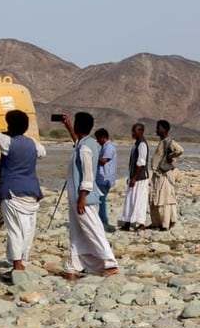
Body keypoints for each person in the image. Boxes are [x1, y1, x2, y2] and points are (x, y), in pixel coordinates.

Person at [0, 91, 46, 283]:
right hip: (32, 193)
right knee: (28, 230)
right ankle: (22, 262)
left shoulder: (7, 143)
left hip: (12, 192)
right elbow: (42, 152)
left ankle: (17, 267)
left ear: (9, 126)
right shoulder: (33, 144)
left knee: (15, 230)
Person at [57, 112, 119, 279]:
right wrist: (68, 126)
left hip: (84, 199)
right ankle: (74, 266)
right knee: (77, 232)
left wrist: (82, 197)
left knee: (93, 229)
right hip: (78, 198)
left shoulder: (86, 147)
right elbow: (77, 143)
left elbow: (88, 175)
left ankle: (110, 263)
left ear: (79, 126)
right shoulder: (86, 143)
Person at [148, 120, 184, 230]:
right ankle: (156, 222)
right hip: (158, 174)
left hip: (165, 174)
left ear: (164, 129)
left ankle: (165, 224)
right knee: (157, 198)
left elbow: (180, 150)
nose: (156, 130)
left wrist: (170, 157)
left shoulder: (169, 141)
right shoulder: (163, 141)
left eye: (158, 128)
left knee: (166, 199)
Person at [118, 122, 150, 231]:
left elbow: (141, 162)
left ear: (141, 131)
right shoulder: (136, 144)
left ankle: (140, 223)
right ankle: (127, 222)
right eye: (132, 130)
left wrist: (135, 177)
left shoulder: (142, 144)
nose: (132, 133)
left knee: (139, 200)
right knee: (130, 199)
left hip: (140, 179)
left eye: (134, 131)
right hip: (134, 177)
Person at [94, 128, 118, 230]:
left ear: (103, 138)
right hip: (102, 177)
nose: (97, 141)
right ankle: (101, 220)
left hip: (105, 178)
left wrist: (92, 157)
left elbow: (104, 160)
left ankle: (103, 220)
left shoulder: (109, 147)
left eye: (98, 139)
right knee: (101, 199)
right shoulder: (105, 146)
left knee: (101, 200)